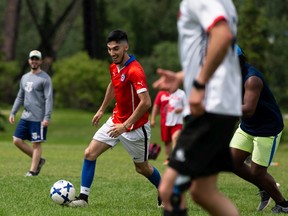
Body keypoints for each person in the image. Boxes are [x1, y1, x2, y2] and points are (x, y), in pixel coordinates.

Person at [153, 0, 242, 215]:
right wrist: (183, 76)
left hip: (209, 106)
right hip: (220, 105)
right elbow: (214, 48)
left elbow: (222, 37)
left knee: (170, 190)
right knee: (203, 192)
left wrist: (199, 84)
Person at [68, 29, 162, 208]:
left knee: (142, 168)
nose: (112, 53)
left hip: (135, 129)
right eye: (110, 49)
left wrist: (125, 126)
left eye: (116, 49)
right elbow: (113, 85)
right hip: (116, 121)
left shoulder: (135, 70)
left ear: (126, 47)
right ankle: (83, 198)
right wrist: (101, 109)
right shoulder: (114, 67)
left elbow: (146, 102)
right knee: (89, 153)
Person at [230, 46, 288, 213]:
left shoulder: (252, 79)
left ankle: (283, 204)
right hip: (247, 126)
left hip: (267, 129)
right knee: (232, 162)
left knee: (257, 172)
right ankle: (264, 188)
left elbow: (248, 109)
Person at [9, 50, 53, 177]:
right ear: (29, 60)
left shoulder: (45, 79)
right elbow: (20, 96)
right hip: (25, 116)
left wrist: (47, 117)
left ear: (40, 61)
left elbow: (48, 99)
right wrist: (13, 112)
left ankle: (32, 171)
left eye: (36, 59)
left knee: (36, 144)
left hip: (38, 118)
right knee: (16, 140)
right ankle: (39, 160)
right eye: (32, 59)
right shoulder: (24, 77)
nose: (34, 61)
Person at [151, 89, 187, 165]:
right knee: (167, 142)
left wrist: (181, 109)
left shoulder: (181, 93)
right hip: (165, 122)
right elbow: (156, 106)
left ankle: (175, 159)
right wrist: (153, 119)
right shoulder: (161, 94)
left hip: (177, 122)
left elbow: (188, 106)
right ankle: (168, 158)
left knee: (175, 138)